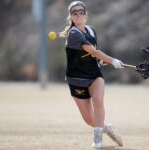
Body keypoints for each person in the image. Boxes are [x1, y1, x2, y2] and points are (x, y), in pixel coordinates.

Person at [60, 1, 123, 148]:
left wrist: (102, 61)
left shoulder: (92, 30)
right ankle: (107, 129)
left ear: (85, 14)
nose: (78, 15)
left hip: (94, 75)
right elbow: (93, 51)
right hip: (76, 79)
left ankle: (97, 141)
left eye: (81, 12)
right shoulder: (74, 33)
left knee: (98, 101)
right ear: (71, 16)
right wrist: (112, 60)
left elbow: (95, 53)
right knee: (89, 119)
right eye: (74, 13)